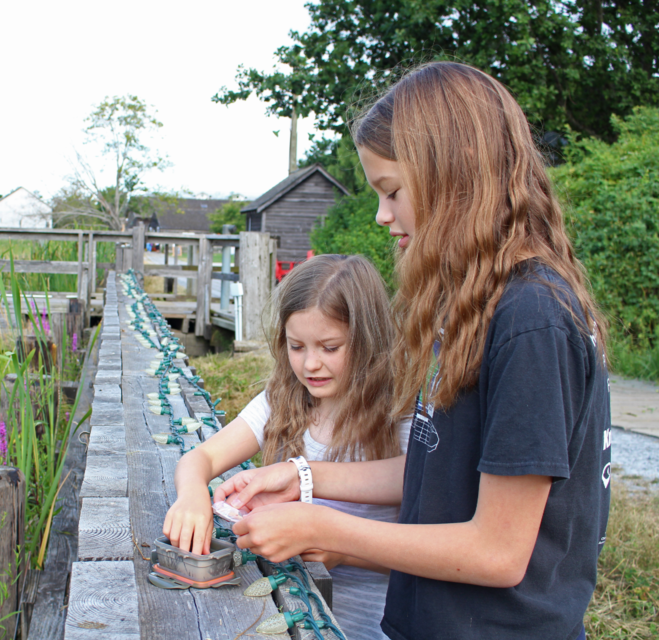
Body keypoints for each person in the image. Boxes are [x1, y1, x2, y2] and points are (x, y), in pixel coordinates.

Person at [214, 62, 611, 640]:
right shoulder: (478, 305)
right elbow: (435, 468)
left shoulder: (532, 321)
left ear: (454, 176)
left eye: (392, 191)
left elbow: (498, 551)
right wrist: (301, 476)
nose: (381, 215)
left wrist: (324, 528)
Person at [162, 253, 408, 639]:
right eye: (297, 347)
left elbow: (431, 552)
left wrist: (342, 551)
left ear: (369, 338)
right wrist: (192, 494)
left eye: (330, 347)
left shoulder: (401, 419)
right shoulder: (281, 400)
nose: (311, 364)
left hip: (366, 626)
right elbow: (202, 456)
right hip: (281, 616)